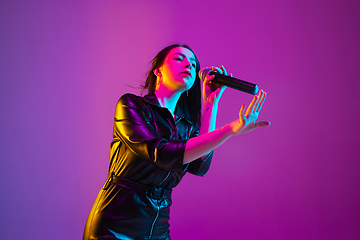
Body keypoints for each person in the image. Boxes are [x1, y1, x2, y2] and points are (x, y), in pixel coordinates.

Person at [83, 44, 270, 240]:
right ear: (158, 70)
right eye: (179, 58)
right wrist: (230, 130)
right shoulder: (131, 105)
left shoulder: (186, 126)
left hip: (158, 225)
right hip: (116, 222)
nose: (189, 64)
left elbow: (200, 166)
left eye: (193, 63)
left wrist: (210, 103)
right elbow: (161, 153)